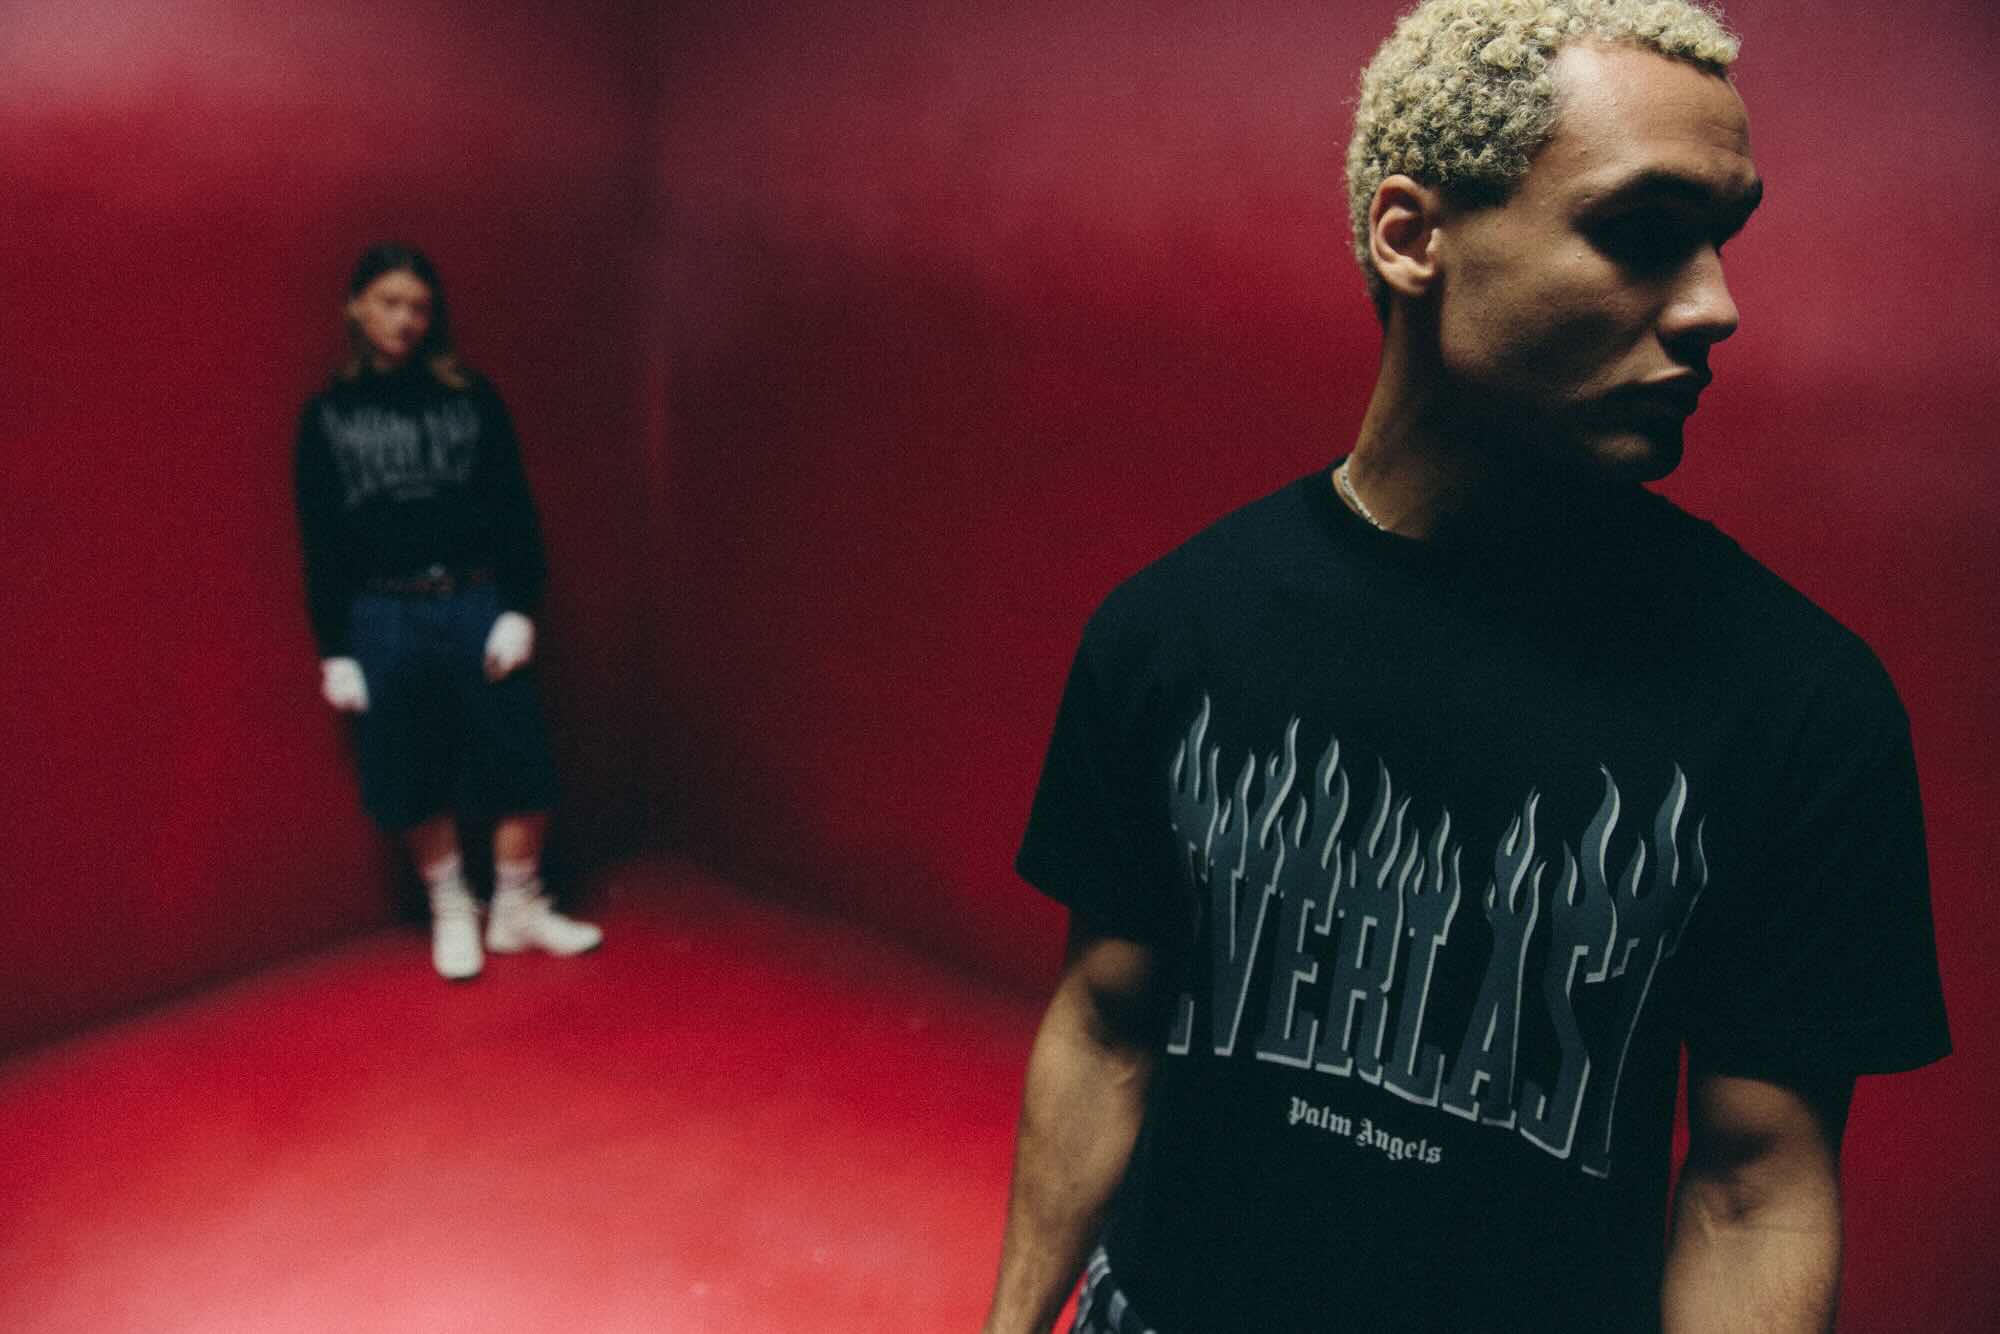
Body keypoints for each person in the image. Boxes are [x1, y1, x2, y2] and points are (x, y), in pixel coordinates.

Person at [983, 2, 1949, 1330]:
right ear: (1410, 236)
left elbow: (1754, 1185)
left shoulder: (1799, 712)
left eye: (1723, 239)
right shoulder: (1178, 627)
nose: (1715, 307)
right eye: (1641, 233)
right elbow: (1105, 1022)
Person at [294, 243, 602, 982]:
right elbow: (321, 539)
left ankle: (516, 907)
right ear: (358, 307)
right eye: (389, 303)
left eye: (419, 307)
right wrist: (335, 650)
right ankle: (452, 908)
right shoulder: (326, 415)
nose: (404, 319)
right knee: (407, 765)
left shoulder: (472, 398)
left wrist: (518, 608)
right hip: (383, 611)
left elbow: (514, 509)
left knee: (521, 757)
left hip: (473, 599)